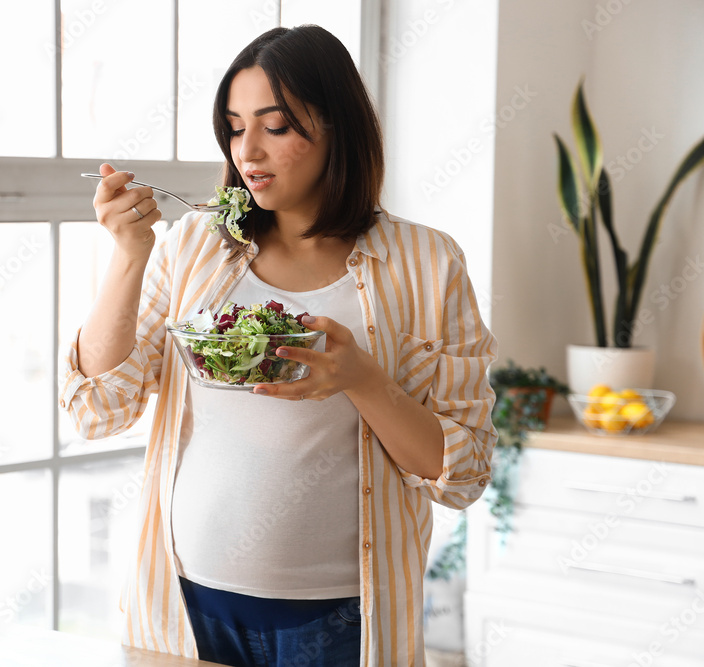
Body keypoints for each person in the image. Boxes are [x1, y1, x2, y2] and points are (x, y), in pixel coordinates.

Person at [60, 25, 497, 667]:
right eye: (235, 128)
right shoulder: (193, 247)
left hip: (345, 621)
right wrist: (130, 256)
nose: (249, 152)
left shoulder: (427, 263)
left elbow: (461, 474)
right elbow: (98, 408)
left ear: (338, 128)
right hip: (185, 607)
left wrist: (363, 379)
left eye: (277, 126)